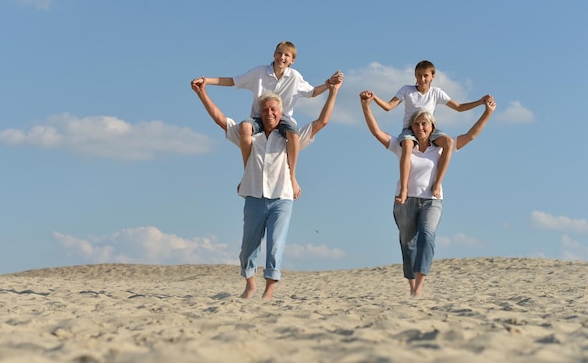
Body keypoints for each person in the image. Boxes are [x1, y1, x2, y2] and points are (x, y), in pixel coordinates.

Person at [191, 75, 342, 300]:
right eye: (265, 110)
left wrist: (333, 91)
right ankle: (250, 284)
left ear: (281, 114)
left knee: (275, 246)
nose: (269, 113)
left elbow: (322, 122)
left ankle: (269, 290)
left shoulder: (290, 139)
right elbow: (220, 119)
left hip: (282, 197)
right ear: (259, 114)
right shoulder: (252, 137)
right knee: (248, 246)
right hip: (253, 196)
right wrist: (202, 93)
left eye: (273, 109)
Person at [360, 89, 496, 297]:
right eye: (416, 124)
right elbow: (377, 131)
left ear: (433, 127)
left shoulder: (441, 148)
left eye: (424, 124)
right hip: (405, 201)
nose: (420, 127)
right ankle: (412, 285)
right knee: (407, 243)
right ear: (411, 127)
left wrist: (487, 112)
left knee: (427, 236)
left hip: (432, 201)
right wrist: (366, 106)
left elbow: (471, 135)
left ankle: (419, 287)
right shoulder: (402, 145)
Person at [193, 41, 343, 200]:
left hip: (284, 119)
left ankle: (293, 176)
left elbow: (312, 93)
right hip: (258, 119)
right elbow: (233, 81)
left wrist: (329, 85)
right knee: (245, 128)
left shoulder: (295, 77)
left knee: (293, 135)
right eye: (279, 53)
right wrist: (207, 82)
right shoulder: (259, 72)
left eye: (287, 55)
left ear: (292, 60)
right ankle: (248, 173)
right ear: (273, 54)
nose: (282, 57)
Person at [371, 60, 490, 204]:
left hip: (429, 129)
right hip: (409, 129)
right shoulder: (407, 90)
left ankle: (437, 184)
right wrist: (374, 98)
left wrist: (480, 102)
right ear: (414, 75)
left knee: (449, 142)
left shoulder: (436, 93)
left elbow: (459, 107)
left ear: (432, 76)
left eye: (425, 76)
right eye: (419, 76)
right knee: (407, 145)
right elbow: (389, 106)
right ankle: (403, 190)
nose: (422, 79)